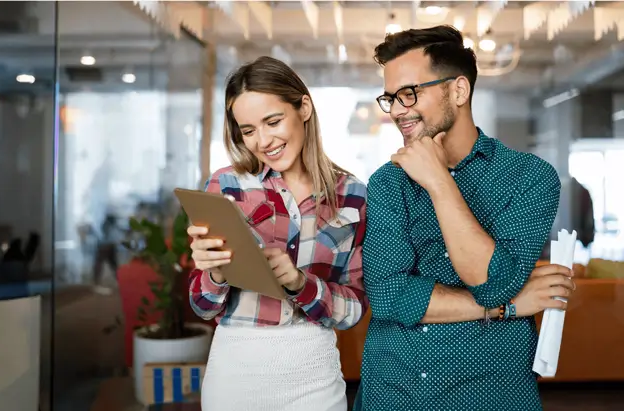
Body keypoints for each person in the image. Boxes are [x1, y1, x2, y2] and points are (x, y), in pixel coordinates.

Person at [355, 25, 576, 411]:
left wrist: (440, 183)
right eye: (390, 98)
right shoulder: (388, 182)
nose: (397, 111)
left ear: (458, 90)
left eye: (410, 94)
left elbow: (493, 283)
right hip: (394, 392)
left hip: (491, 392)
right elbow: (389, 297)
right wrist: (508, 306)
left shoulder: (529, 178)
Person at [185, 56, 368, 411]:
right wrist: (217, 273)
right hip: (235, 377)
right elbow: (202, 306)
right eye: (248, 130)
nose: (263, 140)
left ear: (304, 107)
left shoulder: (353, 194)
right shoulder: (225, 186)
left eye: (273, 121)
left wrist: (302, 284)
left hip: (315, 377)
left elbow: (355, 310)